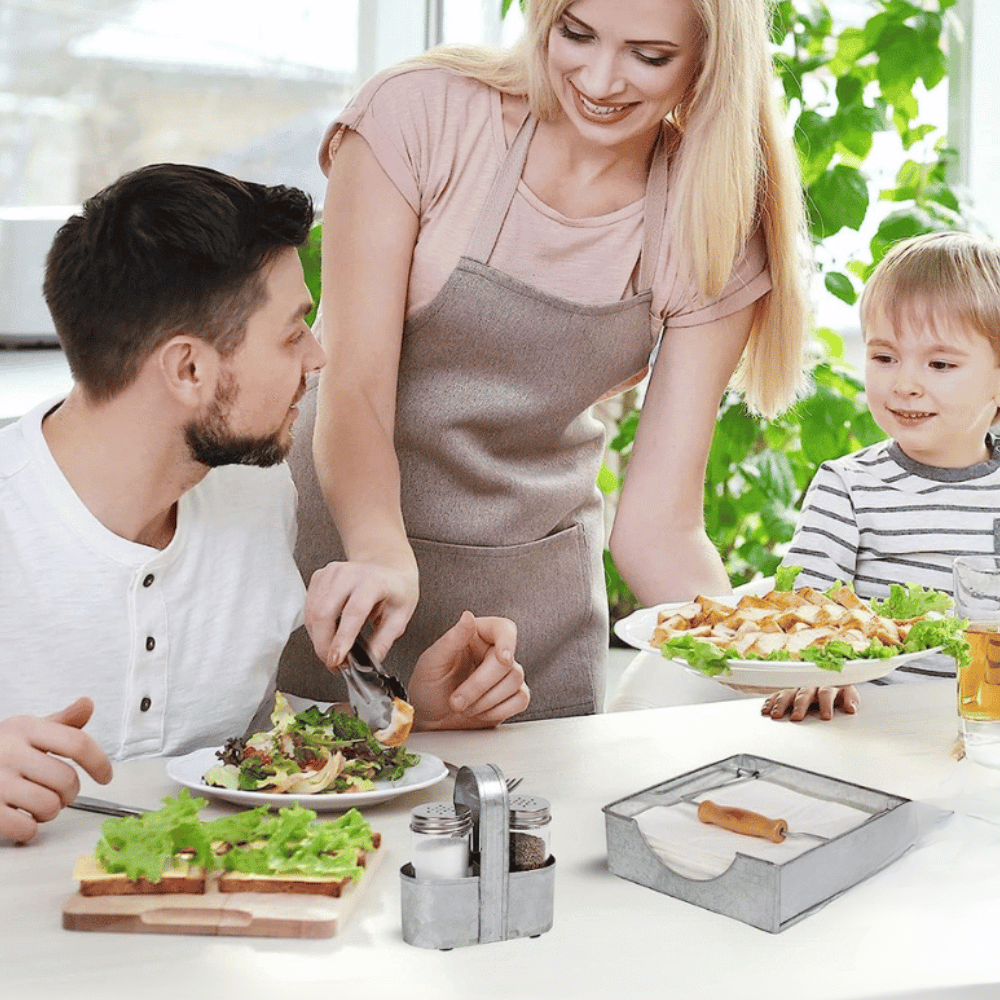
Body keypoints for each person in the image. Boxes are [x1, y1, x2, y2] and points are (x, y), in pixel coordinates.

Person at [279, 0, 811, 720]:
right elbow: (352, 387)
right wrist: (378, 550)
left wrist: (769, 656)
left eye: (648, 56)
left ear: (712, 59)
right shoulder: (421, 115)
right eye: (576, 33)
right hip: (350, 571)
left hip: (529, 624)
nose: (599, 78)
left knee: (526, 828)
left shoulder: (708, 215)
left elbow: (661, 528)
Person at [0, 163, 528, 845]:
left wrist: (407, 716)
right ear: (189, 369)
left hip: (224, 912)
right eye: (292, 333)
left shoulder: (256, 493)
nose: (318, 357)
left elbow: (236, 753)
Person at [764, 230, 1000, 721]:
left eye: (939, 363)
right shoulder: (848, 488)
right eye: (884, 357)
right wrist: (813, 672)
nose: (905, 384)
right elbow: (804, 613)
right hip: (873, 729)